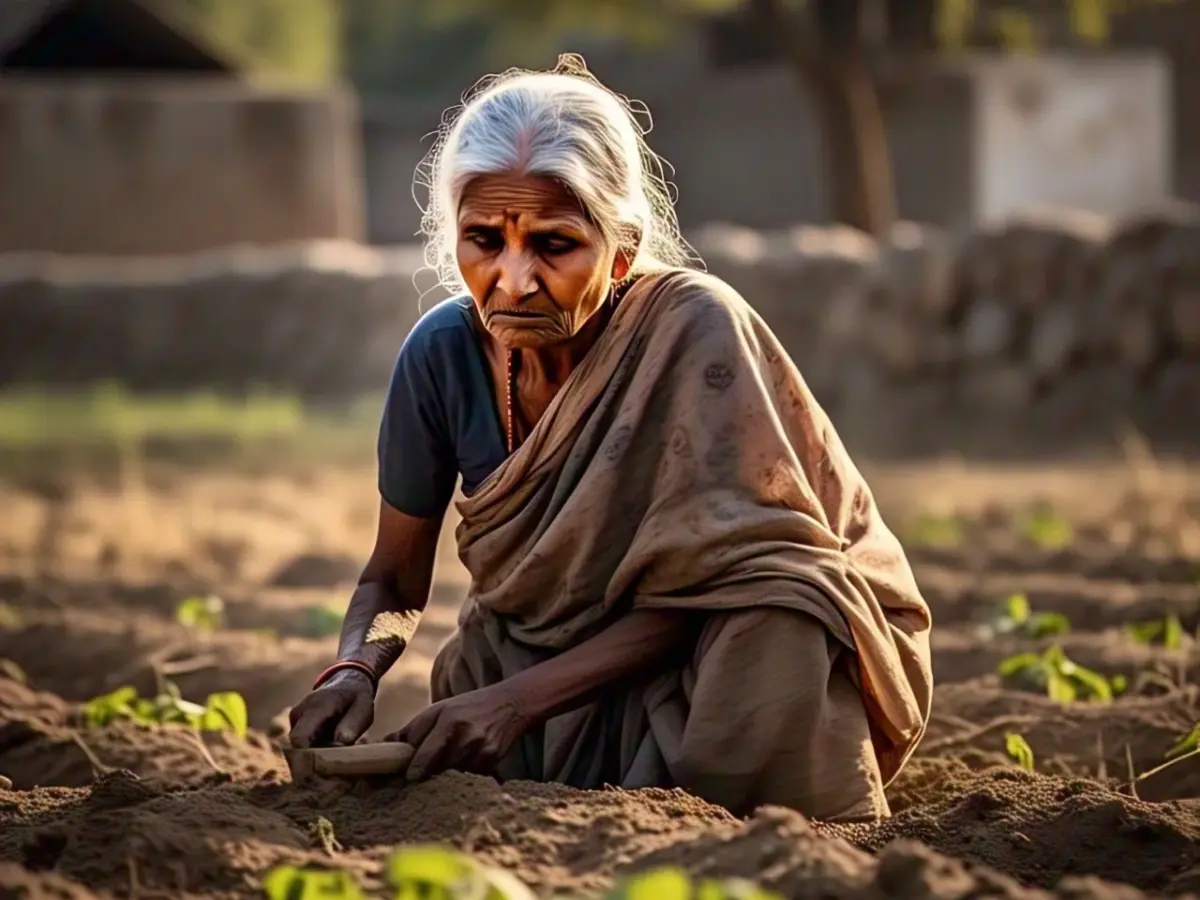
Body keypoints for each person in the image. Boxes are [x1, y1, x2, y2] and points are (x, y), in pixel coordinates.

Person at [286, 54, 932, 823]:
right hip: (546, 661)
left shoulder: (694, 331)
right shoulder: (441, 357)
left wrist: (517, 703)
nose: (513, 279)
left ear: (622, 248)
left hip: (707, 643)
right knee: (478, 662)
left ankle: (762, 814)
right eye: (484, 239)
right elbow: (393, 583)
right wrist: (353, 669)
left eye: (554, 245)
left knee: (778, 623)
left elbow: (731, 581)